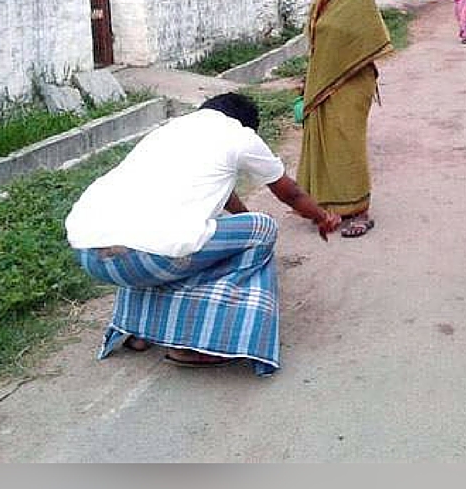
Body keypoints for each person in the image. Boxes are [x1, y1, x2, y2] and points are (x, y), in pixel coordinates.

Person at [65, 93, 342, 376]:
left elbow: (225, 194)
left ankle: (140, 330)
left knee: (167, 234)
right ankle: (193, 345)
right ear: (247, 124)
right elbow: (290, 193)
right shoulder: (241, 136)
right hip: (147, 258)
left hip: (90, 253)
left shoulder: (168, 131)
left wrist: (243, 221)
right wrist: (322, 217)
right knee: (261, 228)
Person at [299, 0, 393, 238]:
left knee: (347, 145)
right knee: (325, 144)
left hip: (351, 82)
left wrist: (337, 70)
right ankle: (329, 206)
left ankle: (360, 212)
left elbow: (370, 39)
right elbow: (318, 40)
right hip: (323, 79)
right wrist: (311, 77)